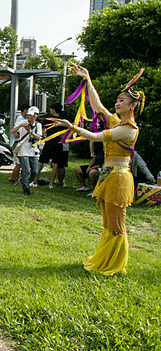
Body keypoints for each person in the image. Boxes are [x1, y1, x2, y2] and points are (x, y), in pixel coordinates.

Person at [53, 64, 145, 275]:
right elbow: (98, 107)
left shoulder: (128, 129)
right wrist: (88, 79)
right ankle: (104, 259)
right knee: (107, 221)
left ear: (132, 105)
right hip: (109, 175)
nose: (117, 103)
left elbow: (96, 136)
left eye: (122, 101)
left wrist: (72, 127)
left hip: (119, 178)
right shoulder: (116, 122)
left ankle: (114, 264)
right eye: (118, 100)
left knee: (116, 223)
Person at [33, 103, 68, 188]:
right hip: (59, 143)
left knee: (41, 161)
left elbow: (43, 128)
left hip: (49, 142)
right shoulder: (63, 120)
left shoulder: (49, 119)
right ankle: (52, 183)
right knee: (55, 163)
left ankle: (34, 181)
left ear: (54, 110)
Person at [13, 106, 42, 196]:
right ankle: (26, 190)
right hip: (23, 150)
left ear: (37, 115)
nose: (31, 117)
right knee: (26, 172)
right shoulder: (22, 122)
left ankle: (24, 181)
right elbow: (12, 131)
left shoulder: (38, 125)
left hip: (33, 150)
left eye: (33, 115)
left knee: (35, 171)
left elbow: (39, 137)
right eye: (29, 115)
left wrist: (31, 132)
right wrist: (21, 125)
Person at [8, 104, 30, 184]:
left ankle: (11, 177)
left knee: (18, 163)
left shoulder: (22, 118)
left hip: (18, 142)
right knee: (18, 164)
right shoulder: (21, 119)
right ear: (24, 110)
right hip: (18, 143)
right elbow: (15, 128)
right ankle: (16, 180)